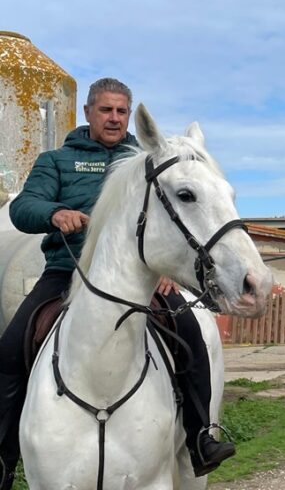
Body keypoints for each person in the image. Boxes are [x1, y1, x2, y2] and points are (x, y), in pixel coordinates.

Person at [0, 78, 234, 489]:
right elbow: (23, 207)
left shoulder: (147, 159)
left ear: (129, 116)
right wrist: (54, 212)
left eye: (121, 111)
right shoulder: (57, 161)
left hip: (144, 278)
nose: (113, 118)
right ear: (88, 112)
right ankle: (4, 455)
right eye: (105, 110)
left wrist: (164, 265)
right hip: (65, 272)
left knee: (193, 338)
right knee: (10, 349)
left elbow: (168, 219)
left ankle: (200, 439)